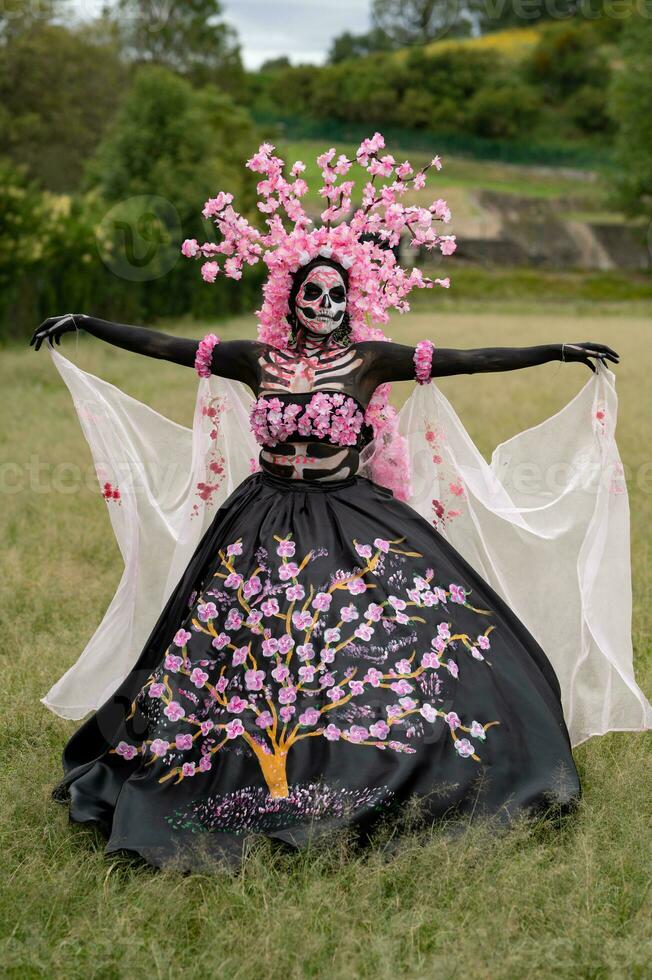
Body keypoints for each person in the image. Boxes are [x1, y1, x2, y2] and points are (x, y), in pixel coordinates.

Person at [30, 136, 650, 872]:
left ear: (349, 298)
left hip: (347, 511)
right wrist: (89, 323)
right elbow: (165, 346)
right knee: (246, 651)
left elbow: (468, 362)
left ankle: (375, 768)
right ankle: (242, 775)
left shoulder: (372, 358)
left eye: (334, 295)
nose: (322, 306)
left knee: (377, 639)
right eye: (309, 293)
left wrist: (554, 350)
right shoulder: (254, 360)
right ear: (288, 297)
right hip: (261, 517)